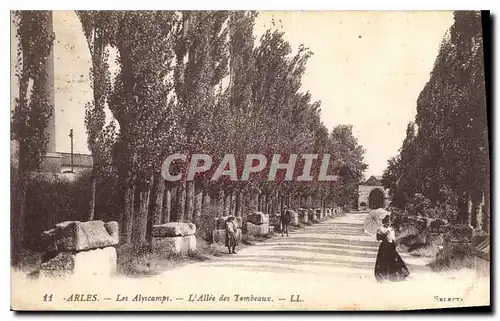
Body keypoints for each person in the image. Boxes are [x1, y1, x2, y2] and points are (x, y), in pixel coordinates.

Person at [374, 215, 410, 282]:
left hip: (391, 246)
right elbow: (378, 238)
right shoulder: (380, 229)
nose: (388, 223)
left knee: (396, 260)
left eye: (389, 222)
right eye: (387, 222)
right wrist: (384, 234)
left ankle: (398, 277)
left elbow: (393, 239)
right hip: (384, 247)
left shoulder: (391, 229)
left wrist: (395, 245)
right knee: (383, 261)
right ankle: (382, 277)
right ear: (384, 222)